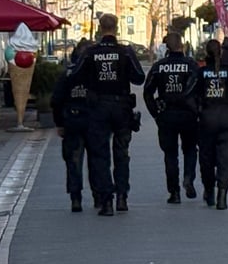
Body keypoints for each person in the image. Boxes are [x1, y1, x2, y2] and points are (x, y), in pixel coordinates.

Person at [69, 14, 145, 216]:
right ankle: (122, 196)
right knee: (122, 154)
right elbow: (139, 77)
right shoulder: (125, 52)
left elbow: (75, 76)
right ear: (117, 27)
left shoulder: (91, 53)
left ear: (100, 28)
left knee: (100, 154)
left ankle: (106, 200)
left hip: (98, 107)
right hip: (121, 107)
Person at [187, 39, 228, 210]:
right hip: (227, 117)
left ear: (206, 54)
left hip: (206, 119)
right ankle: (222, 194)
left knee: (206, 157)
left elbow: (188, 93)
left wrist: (197, 110)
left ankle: (209, 190)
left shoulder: (201, 72)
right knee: (225, 157)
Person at [144, 32, 200, 204]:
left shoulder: (159, 66)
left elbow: (147, 92)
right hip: (188, 115)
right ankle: (189, 178)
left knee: (170, 154)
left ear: (166, 48)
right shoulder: (191, 65)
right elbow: (199, 88)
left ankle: (174, 192)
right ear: (181, 45)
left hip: (166, 115)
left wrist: (155, 113)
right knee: (190, 149)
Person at [51, 40, 94, 212]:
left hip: (72, 121)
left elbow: (56, 100)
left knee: (73, 161)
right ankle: (100, 196)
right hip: (94, 121)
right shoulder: (96, 73)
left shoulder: (67, 74)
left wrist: (59, 123)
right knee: (98, 160)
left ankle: (75, 197)